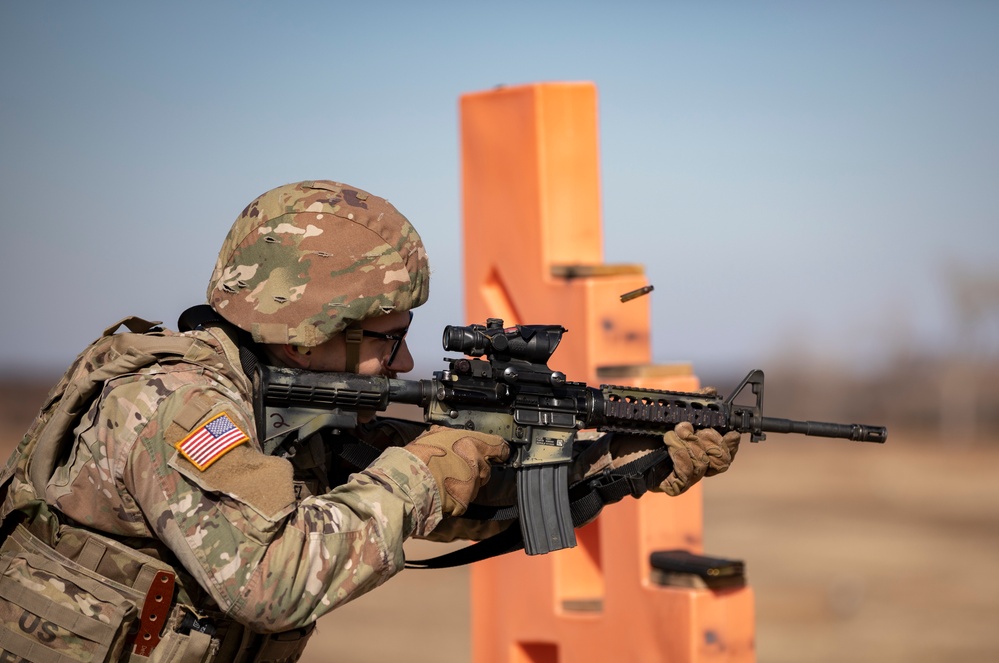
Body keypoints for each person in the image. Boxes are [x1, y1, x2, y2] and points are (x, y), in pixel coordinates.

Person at [0, 180, 740, 662]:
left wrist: (627, 462)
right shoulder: (177, 403)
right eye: (385, 334)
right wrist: (432, 460)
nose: (403, 357)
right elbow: (270, 580)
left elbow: (463, 499)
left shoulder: (289, 405)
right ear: (303, 324)